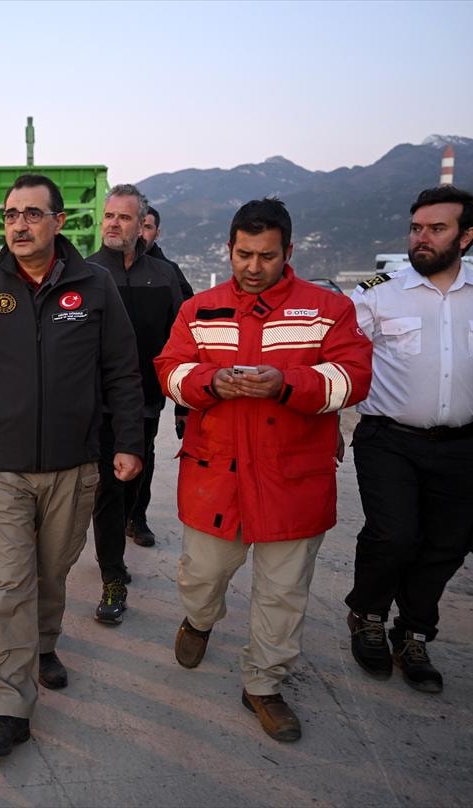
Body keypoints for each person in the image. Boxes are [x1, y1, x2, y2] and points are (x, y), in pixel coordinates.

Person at [0, 173, 145, 756]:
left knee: (51, 574)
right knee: (7, 583)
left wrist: (129, 441)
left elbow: (121, 370)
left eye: (32, 214)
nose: (19, 225)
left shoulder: (95, 286)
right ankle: (8, 705)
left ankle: (43, 643)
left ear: (59, 222)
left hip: (73, 464)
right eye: (11, 215)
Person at [154, 198, 372, 743]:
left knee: (283, 593)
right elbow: (169, 370)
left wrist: (287, 383)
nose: (254, 267)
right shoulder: (199, 309)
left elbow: (354, 377)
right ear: (229, 248)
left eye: (267, 256)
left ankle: (264, 685)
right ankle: (200, 619)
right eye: (244, 254)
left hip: (292, 482)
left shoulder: (328, 309)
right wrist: (208, 382)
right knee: (201, 576)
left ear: (288, 252)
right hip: (216, 478)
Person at [344, 186, 473, 694]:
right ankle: (368, 615)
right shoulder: (377, 294)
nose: (421, 238)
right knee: (394, 535)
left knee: (450, 542)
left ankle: (414, 633)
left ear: (466, 236)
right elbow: (340, 358)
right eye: (416, 228)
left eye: (436, 229)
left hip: (460, 444)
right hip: (388, 438)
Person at [85, 184, 184, 624]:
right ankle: (112, 574)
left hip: (145, 403)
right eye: (109, 215)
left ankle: (122, 538)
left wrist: (183, 404)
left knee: (132, 482)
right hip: (99, 407)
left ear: (142, 224)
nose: (113, 223)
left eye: (123, 217)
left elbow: (182, 342)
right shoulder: (85, 273)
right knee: (108, 488)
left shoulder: (163, 276)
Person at [142, 205, 195, 301]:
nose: (141, 233)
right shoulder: (113, 267)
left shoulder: (169, 271)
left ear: (157, 234)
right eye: (137, 226)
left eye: (147, 227)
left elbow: (187, 305)